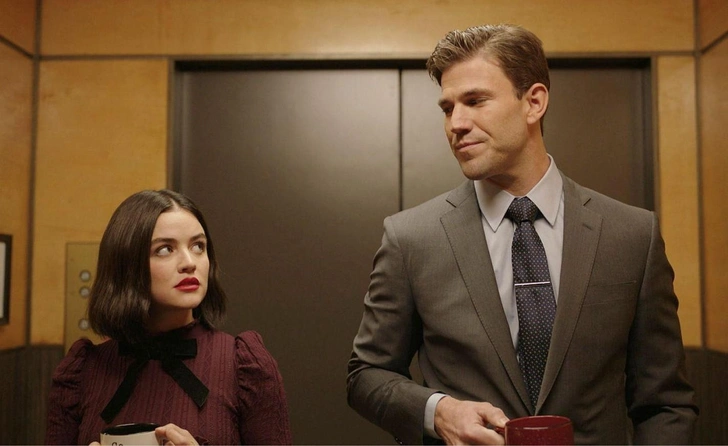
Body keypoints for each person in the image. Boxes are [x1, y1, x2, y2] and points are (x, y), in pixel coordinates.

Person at [347, 24, 698, 445]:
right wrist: (438, 412)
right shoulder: (411, 239)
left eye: (475, 101)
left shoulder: (632, 235)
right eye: (447, 108)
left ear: (534, 102)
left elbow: (665, 403)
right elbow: (366, 374)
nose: (456, 123)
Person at [46, 189, 292, 445]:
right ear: (126, 265)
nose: (189, 262)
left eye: (198, 246)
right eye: (165, 249)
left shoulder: (245, 367)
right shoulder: (82, 372)